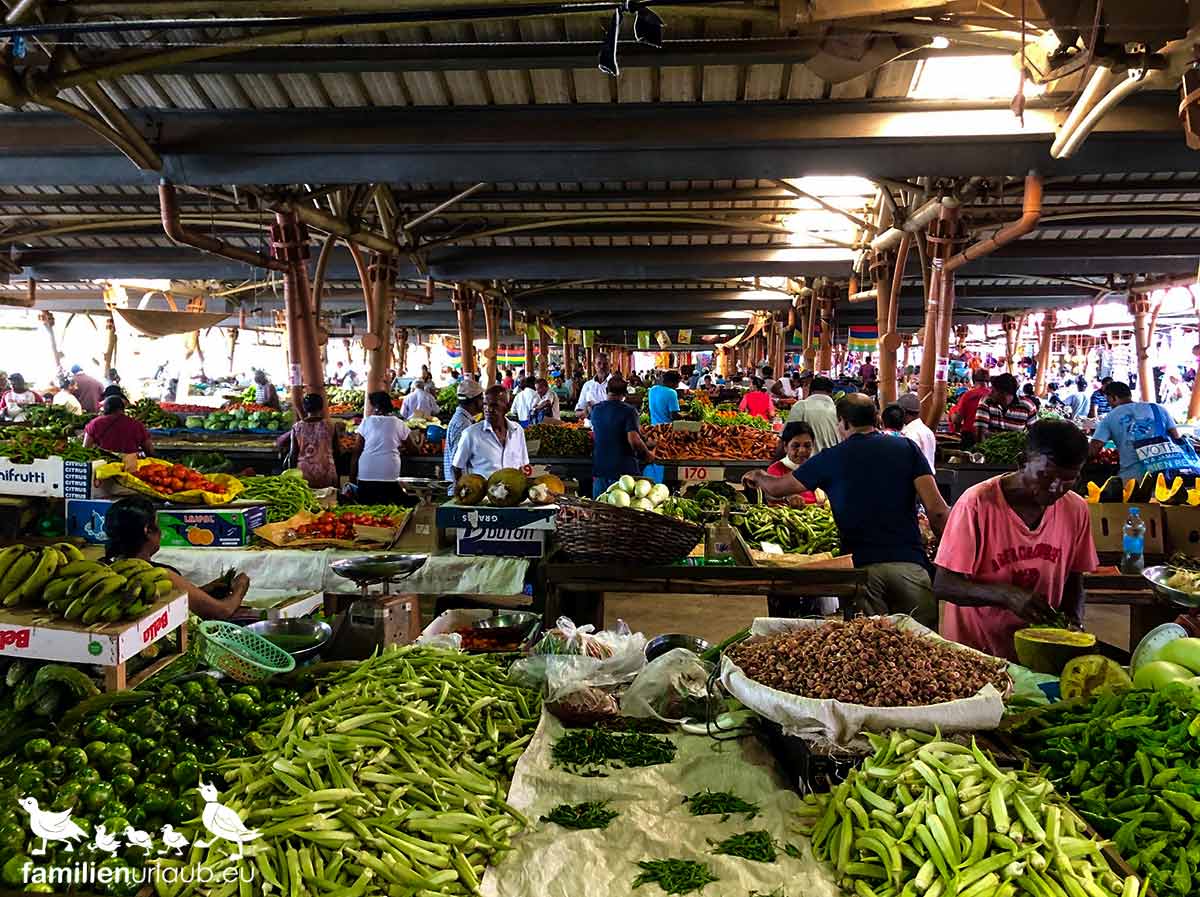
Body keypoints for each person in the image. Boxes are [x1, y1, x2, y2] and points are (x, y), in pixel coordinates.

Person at [744, 394, 950, 627]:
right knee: (924, 650)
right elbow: (938, 511)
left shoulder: (831, 457)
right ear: (876, 418)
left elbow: (778, 488)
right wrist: (948, 564)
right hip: (911, 566)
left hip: (863, 572)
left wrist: (758, 476)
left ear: (843, 422)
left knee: (869, 651)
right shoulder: (906, 448)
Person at [935, 420, 1098, 660]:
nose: (1056, 488)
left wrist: (1074, 621)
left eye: (1068, 479)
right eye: (1045, 476)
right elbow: (944, 584)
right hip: (974, 652)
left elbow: (1074, 579)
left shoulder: (1076, 509)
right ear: (1022, 462)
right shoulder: (977, 504)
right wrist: (1007, 596)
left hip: (1040, 653)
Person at [104, 497, 248, 619]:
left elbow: (169, 600)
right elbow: (222, 610)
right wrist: (240, 587)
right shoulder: (159, 575)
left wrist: (203, 590)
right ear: (148, 531)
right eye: (157, 523)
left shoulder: (103, 568)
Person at [1089, 380, 1192, 481]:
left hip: (1132, 479)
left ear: (1113, 398)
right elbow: (1177, 438)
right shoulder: (1158, 408)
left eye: (1108, 400)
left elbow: (1094, 448)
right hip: (1165, 475)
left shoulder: (1110, 417)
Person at [589, 378, 655, 497]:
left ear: (606, 390)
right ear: (625, 394)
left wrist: (643, 438)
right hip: (623, 473)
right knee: (622, 511)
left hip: (601, 469)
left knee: (600, 509)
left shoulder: (596, 410)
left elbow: (608, 431)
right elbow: (633, 440)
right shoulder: (629, 411)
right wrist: (647, 455)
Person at [452, 386, 529, 480]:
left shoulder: (518, 431)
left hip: (513, 493)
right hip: (484, 493)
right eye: (485, 404)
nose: (488, 409)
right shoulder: (471, 434)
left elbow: (523, 464)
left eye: (494, 405)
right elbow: (457, 467)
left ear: (507, 407)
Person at [351, 392, 415, 504]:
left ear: (374, 406)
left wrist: (352, 477)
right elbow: (413, 450)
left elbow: (356, 451)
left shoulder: (367, 422)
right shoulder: (398, 423)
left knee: (366, 510)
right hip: (389, 473)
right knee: (390, 509)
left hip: (366, 473)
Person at [277, 394, 341, 489]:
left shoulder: (297, 427)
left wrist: (291, 477)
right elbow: (337, 452)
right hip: (327, 472)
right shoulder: (330, 425)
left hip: (303, 474)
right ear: (322, 407)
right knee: (328, 501)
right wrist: (337, 477)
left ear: (304, 408)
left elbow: (293, 454)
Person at [974, 373, 1038, 442]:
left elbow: (1034, 435)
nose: (990, 393)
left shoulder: (1028, 406)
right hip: (989, 449)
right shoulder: (986, 402)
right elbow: (980, 434)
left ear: (1002, 393)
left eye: (993, 391)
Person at [82, 396, 153, 455]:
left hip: (103, 466)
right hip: (130, 465)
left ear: (105, 409)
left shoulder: (95, 423)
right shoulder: (136, 425)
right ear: (123, 408)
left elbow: (86, 448)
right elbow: (149, 450)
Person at [444, 380, 484, 482]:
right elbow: (457, 464)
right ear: (474, 401)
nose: (483, 402)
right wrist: (461, 489)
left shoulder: (463, 419)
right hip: (462, 486)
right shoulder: (462, 424)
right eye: (481, 398)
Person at [786, 375, 838, 452]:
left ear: (811, 390)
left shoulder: (801, 406)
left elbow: (786, 438)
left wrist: (775, 462)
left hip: (807, 461)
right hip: (834, 460)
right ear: (831, 393)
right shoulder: (838, 410)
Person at [949, 367, 991, 445]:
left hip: (969, 436)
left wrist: (951, 412)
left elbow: (957, 420)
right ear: (988, 380)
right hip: (988, 437)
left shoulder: (968, 395)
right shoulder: (992, 395)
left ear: (973, 380)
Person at [898, 393, 937, 469]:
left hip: (916, 478)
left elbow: (909, 461)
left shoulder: (911, 434)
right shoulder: (927, 430)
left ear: (903, 412)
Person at [575, 354, 611, 421]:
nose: (602, 366)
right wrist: (584, 413)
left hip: (610, 428)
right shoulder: (587, 385)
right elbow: (577, 412)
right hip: (590, 428)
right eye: (599, 363)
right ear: (594, 365)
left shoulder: (615, 384)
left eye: (605, 364)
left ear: (610, 365)